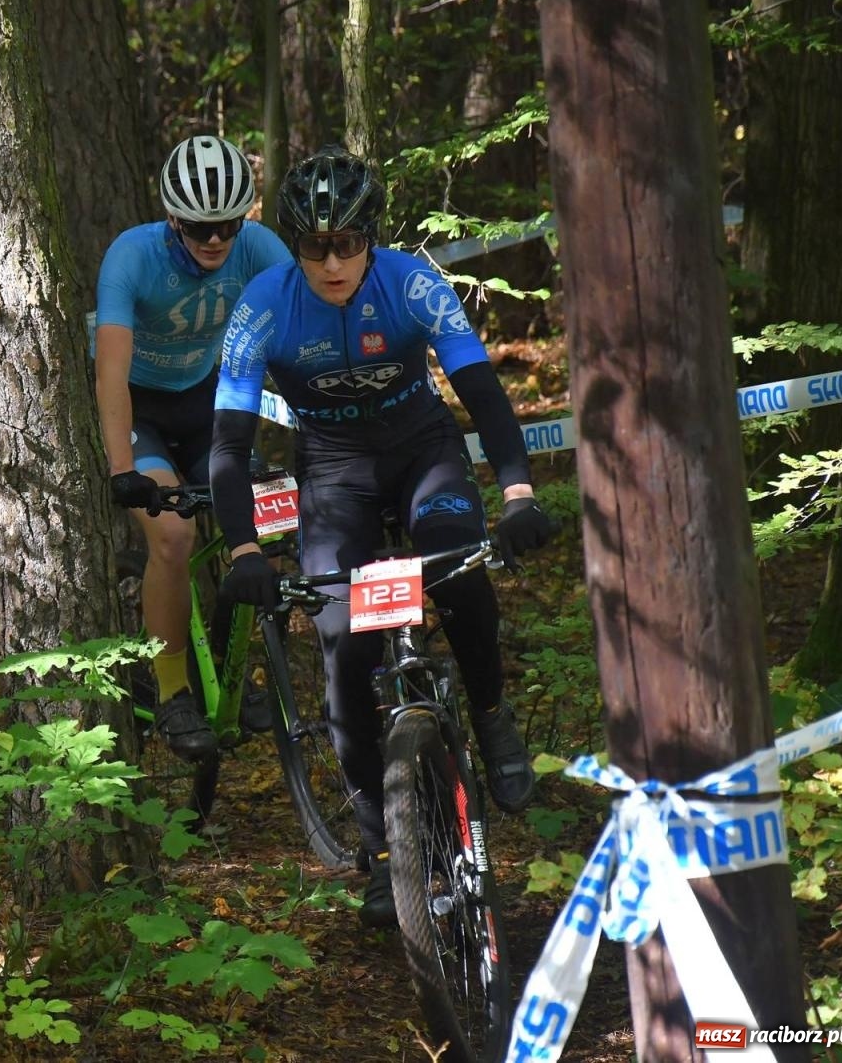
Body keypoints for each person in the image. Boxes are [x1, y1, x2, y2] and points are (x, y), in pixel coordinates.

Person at [209, 146, 553, 927]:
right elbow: (227, 446)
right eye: (314, 248)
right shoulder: (264, 305)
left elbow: (481, 392)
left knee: (459, 574)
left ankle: (493, 716)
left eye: (347, 244)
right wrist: (243, 552)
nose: (332, 263)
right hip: (334, 479)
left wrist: (520, 492)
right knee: (342, 644)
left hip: (422, 456)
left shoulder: (411, 282)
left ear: (372, 235)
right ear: (294, 246)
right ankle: (383, 850)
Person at [95, 134, 293, 760]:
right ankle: (174, 689)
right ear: (174, 219)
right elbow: (110, 371)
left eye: (228, 226)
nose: (215, 240)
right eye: (202, 227)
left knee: (267, 521)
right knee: (175, 537)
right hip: (143, 410)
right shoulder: (132, 258)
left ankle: (246, 669)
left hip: (207, 403)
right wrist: (124, 470)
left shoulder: (259, 250)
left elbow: (300, 333)